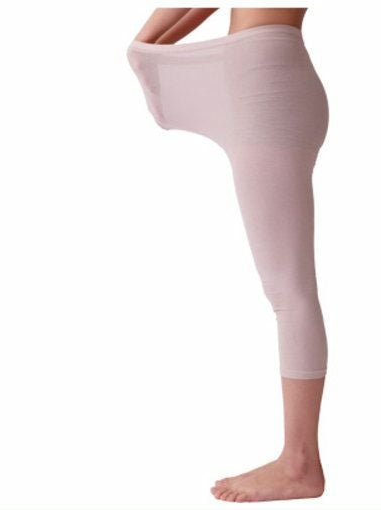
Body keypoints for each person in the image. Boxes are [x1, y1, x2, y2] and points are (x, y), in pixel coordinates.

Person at [127, 7, 329, 503]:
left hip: (263, 79)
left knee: (289, 291)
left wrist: (144, 43)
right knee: (289, 289)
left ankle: (300, 463)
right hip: (263, 70)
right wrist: (145, 48)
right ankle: (298, 459)